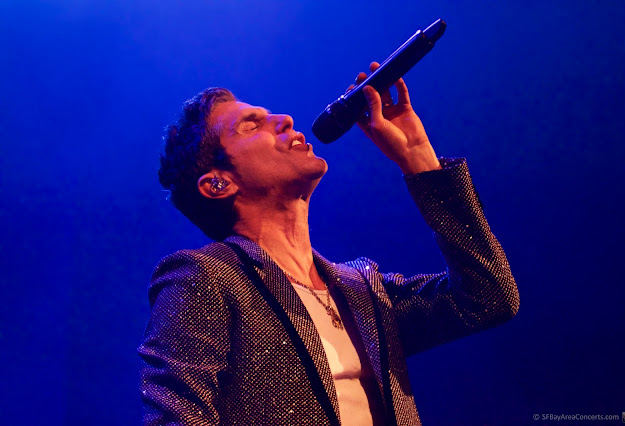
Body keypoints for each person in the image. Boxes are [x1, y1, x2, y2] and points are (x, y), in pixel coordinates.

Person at [138, 63, 520, 425]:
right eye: (250, 125)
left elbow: (488, 298)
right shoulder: (204, 278)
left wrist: (418, 158)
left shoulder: (361, 290)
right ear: (218, 183)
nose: (284, 119)